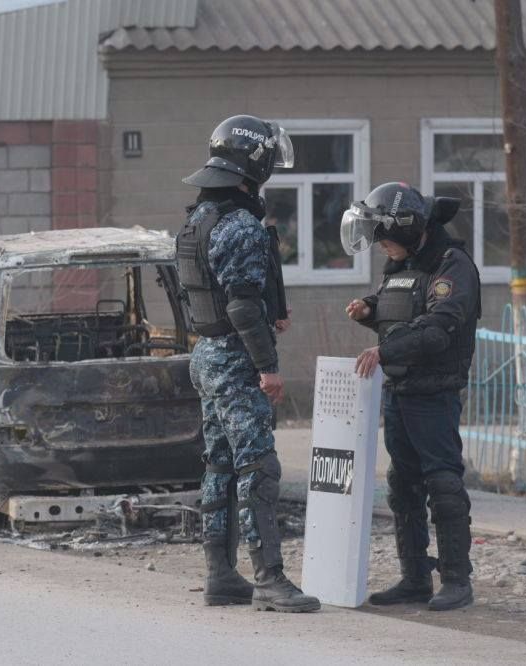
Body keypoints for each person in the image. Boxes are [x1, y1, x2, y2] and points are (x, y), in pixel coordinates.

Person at [177, 115, 319, 612]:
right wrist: (267, 366)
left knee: (219, 464)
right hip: (237, 362)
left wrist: (262, 314)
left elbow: (215, 297)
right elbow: (239, 303)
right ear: (252, 166)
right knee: (258, 466)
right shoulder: (240, 226)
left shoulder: (197, 219)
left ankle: (220, 575)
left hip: (207, 355)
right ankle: (269, 579)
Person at [342, 182, 480, 611]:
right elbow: (400, 314)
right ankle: (414, 578)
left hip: (433, 394)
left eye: (384, 236)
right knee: (403, 486)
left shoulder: (451, 264)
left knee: (442, 483)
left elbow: (436, 330)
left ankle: (457, 581)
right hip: (399, 392)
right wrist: (369, 311)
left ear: (406, 229)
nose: (381, 246)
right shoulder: (399, 265)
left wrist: (382, 350)